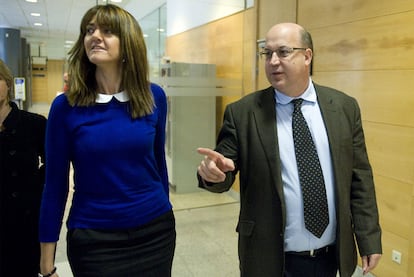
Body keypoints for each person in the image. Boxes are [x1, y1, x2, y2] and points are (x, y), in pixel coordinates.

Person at [197, 22, 382, 277]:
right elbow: (223, 168)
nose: (272, 61)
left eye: (283, 52)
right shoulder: (243, 113)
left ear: (307, 56)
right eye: (267, 53)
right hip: (269, 259)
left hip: (330, 258)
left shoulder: (344, 108)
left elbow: (360, 178)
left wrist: (368, 238)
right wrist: (213, 174)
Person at [38, 4, 175, 277]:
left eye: (107, 31)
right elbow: (54, 186)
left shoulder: (153, 97)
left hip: (155, 232)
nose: (95, 36)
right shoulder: (66, 107)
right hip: (94, 238)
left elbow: (158, 163)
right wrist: (46, 260)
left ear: (129, 43)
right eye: (89, 30)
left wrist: (163, 208)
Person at [0, 58, 47, 276]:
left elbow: (54, 166)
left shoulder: (34, 124)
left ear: (8, 83)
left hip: (24, 224)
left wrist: (34, 190)